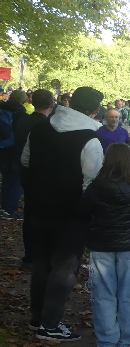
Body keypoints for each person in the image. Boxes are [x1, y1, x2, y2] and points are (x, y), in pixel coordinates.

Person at [22, 86, 105, 341]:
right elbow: (91, 182)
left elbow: (25, 161)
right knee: (64, 270)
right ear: (95, 110)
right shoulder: (90, 139)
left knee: (40, 264)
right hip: (69, 214)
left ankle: (38, 318)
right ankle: (49, 324)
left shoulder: (40, 128)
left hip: (36, 207)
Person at [79, 143, 130, 347]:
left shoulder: (96, 187)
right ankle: (124, 342)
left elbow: (83, 213)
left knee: (103, 293)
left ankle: (106, 342)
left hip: (102, 244)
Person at [15, 89, 55, 268]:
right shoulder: (48, 126)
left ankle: (30, 255)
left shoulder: (22, 120)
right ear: (51, 104)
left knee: (30, 214)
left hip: (25, 171)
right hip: (42, 174)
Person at [0, 89, 29, 219]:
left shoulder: (3, 108)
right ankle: (10, 210)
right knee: (16, 182)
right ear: (23, 100)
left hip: (3, 149)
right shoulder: (21, 114)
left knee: (6, 180)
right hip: (15, 151)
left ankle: (4, 207)